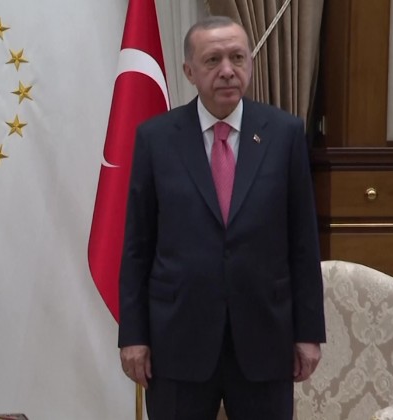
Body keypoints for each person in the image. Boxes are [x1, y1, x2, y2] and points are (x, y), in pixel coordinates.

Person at [118, 16, 325, 420]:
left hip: (265, 338)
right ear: (189, 71)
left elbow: (303, 243)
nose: (228, 70)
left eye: (237, 58)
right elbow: (137, 247)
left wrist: (309, 332)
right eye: (213, 60)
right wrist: (134, 336)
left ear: (250, 63)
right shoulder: (156, 139)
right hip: (177, 341)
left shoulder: (284, 134)